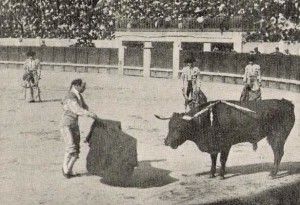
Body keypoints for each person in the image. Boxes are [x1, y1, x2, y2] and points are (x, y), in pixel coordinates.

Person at [60, 79, 98, 178]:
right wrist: (89, 114)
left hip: (74, 124)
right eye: (83, 86)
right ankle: (65, 169)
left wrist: (91, 113)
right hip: (67, 124)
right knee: (71, 147)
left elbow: (85, 107)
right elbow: (76, 109)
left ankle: (69, 170)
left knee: (76, 149)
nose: (85, 88)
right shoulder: (71, 95)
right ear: (76, 85)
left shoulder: (78, 95)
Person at [240, 55, 262, 151]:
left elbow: (259, 74)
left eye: (251, 61)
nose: (250, 62)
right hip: (249, 81)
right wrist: (245, 81)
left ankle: (256, 105)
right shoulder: (247, 67)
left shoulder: (257, 67)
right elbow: (245, 74)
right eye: (249, 61)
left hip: (255, 81)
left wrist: (260, 81)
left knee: (257, 93)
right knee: (245, 94)